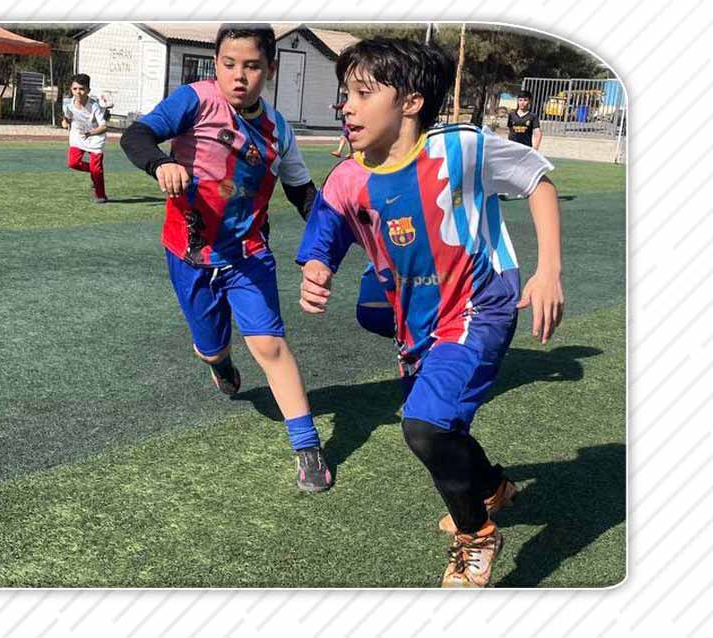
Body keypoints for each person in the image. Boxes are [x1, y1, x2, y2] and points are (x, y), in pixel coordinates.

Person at [296, 38, 564, 587]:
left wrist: (548, 271)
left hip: (482, 304)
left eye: (363, 93)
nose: (347, 105)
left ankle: (477, 536)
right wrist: (316, 268)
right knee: (441, 426)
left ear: (411, 102)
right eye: (346, 93)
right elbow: (326, 229)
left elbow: (536, 179)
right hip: (417, 324)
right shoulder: (348, 177)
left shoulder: (460, 149)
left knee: (424, 426)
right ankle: (492, 487)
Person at [120, 24, 329, 493]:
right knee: (211, 347)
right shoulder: (194, 100)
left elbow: (303, 194)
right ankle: (220, 364)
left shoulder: (279, 131)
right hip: (188, 253)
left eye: (252, 66)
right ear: (215, 63)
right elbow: (136, 136)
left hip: (248, 255)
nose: (239, 76)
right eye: (229, 64)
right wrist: (161, 163)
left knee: (270, 346)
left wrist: (330, 239)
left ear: (270, 69)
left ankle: (307, 445)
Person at [62, 74, 108, 203]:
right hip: (78, 137)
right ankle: (94, 172)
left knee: (96, 169)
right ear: (71, 89)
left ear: (88, 90)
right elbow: (67, 118)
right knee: (73, 163)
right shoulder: (68, 104)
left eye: (81, 89)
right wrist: (65, 122)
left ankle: (100, 195)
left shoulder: (94, 106)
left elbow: (104, 127)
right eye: (75, 89)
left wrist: (91, 133)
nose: (78, 92)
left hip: (95, 138)